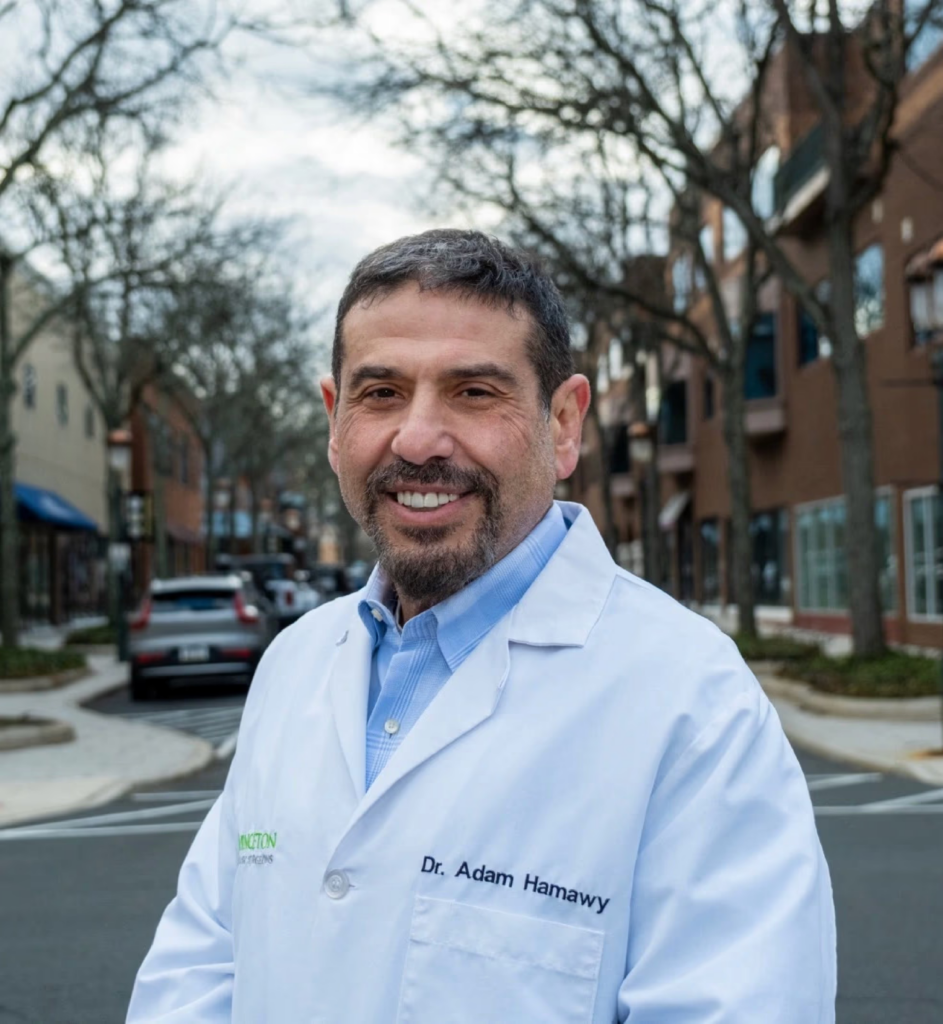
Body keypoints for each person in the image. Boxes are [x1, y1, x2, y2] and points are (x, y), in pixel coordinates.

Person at [127, 229, 836, 1023]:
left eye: (473, 392)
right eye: (381, 392)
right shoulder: (293, 664)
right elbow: (200, 961)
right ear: (334, 422)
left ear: (563, 424)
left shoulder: (690, 701)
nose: (418, 439)